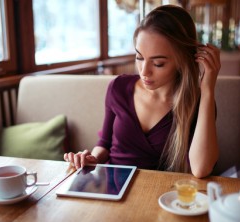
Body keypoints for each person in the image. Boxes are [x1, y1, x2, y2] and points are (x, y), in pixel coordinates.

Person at [64, 4, 220, 178]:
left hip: (155, 196)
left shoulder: (196, 102)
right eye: (139, 57)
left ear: (181, 60)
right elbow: (105, 143)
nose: (144, 71)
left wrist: (207, 90)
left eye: (158, 63)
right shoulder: (119, 88)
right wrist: (92, 158)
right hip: (111, 190)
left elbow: (201, 169)